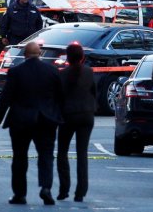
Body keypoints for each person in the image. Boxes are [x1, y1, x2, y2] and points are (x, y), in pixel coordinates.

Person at [0, 42, 63, 206]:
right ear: (40, 54)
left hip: (20, 120)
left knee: (19, 158)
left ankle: (19, 194)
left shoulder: (16, 72)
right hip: (46, 120)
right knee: (46, 156)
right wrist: (58, 117)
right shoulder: (51, 71)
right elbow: (60, 97)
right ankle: (46, 188)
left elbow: (5, 98)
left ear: (24, 55)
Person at [56, 43, 96, 202]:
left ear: (67, 57)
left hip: (68, 116)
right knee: (82, 153)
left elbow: (58, 96)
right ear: (82, 57)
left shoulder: (62, 74)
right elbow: (94, 92)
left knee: (62, 153)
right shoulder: (89, 72)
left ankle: (64, 189)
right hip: (86, 115)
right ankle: (81, 191)